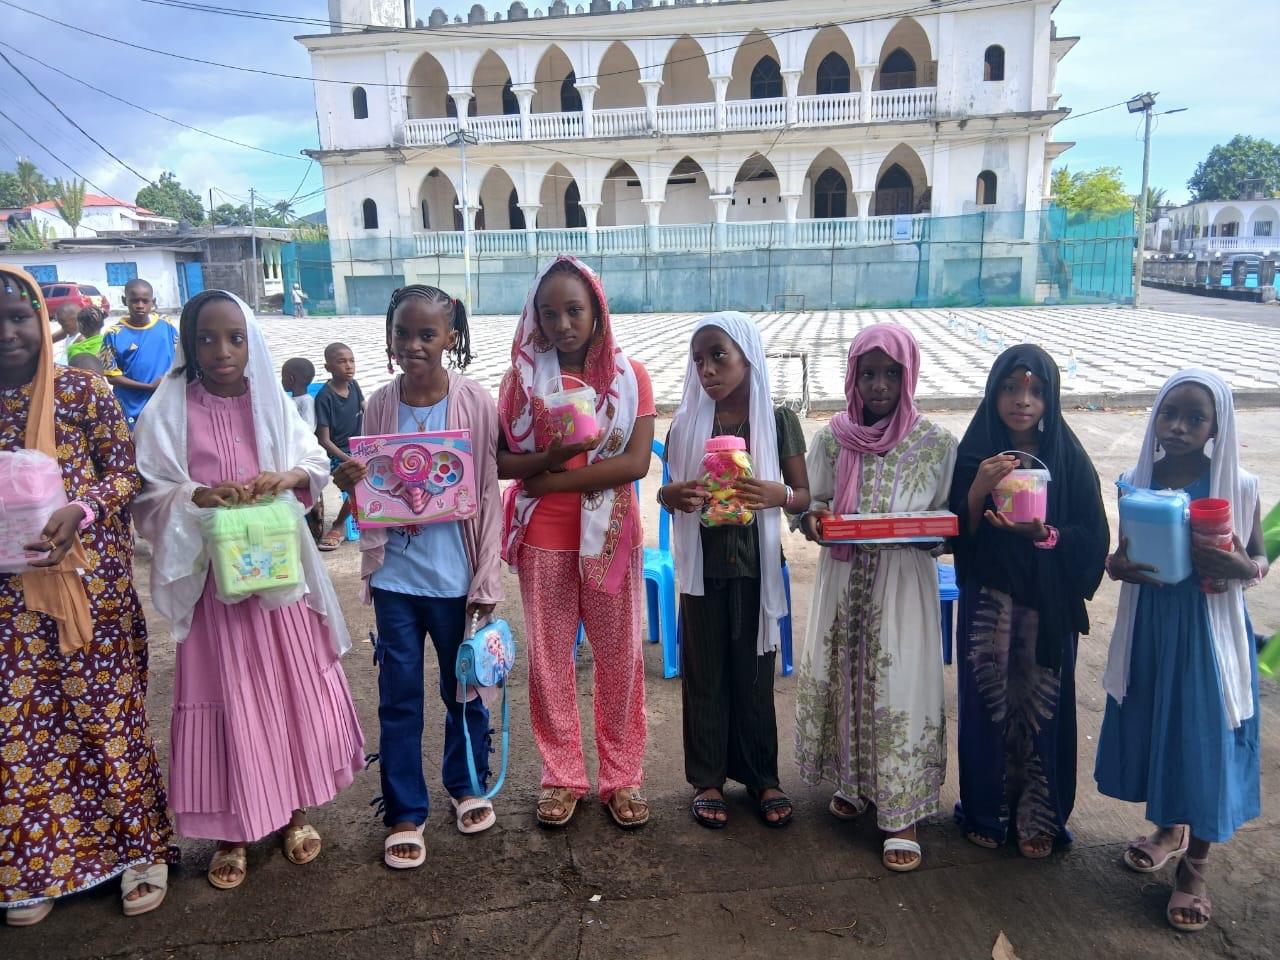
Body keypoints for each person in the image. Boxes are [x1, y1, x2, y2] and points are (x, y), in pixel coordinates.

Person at [132, 289, 364, 892]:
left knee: (287, 689)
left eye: (235, 337)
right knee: (227, 697)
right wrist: (196, 497)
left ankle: (294, 811)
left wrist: (287, 476)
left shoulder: (271, 401)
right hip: (215, 587)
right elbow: (150, 493)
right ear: (188, 345)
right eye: (206, 338)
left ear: (251, 340)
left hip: (279, 583)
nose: (222, 350)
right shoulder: (169, 410)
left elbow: (313, 464)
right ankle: (230, 831)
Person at [0, 265, 172, 926]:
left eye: (19, 317)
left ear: (42, 321)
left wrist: (82, 509)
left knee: (107, 715)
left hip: (88, 588)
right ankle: (37, 865)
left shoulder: (81, 390)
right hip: (11, 605)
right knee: (26, 726)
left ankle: (139, 852)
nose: (8, 333)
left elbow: (126, 473)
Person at [334, 285, 502, 868]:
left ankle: (466, 783)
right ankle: (405, 810)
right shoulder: (380, 403)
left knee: (465, 689)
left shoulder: (475, 401)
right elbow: (373, 488)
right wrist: (351, 482)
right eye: (402, 333)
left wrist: (486, 580)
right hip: (396, 583)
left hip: (456, 582)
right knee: (398, 696)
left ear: (450, 336)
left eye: (427, 334)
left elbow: (486, 493)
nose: (413, 345)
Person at [1096, 369, 1266, 933]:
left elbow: (1259, 558)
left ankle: (1195, 868)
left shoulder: (1237, 486)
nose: (1178, 426)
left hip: (1208, 635)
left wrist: (1241, 566)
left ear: (1217, 426)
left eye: (1195, 418)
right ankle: (1169, 830)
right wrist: (1118, 566)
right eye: (1170, 413)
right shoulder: (1136, 480)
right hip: (1152, 627)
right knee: (1162, 730)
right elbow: (1121, 554)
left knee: (1205, 739)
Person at [498, 255, 654, 830]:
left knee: (620, 659)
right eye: (549, 313)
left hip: (611, 536)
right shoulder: (521, 381)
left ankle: (622, 776)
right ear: (534, 317)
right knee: (549, 661)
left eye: (574, 310)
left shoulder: (630, 377)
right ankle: (562, 776)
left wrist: (549, 479)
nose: (562, 324)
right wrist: (547, 460)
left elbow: (635, 464)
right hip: (545, 537)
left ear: (597, 311)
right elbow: (502, 461)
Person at [794, 324, 957, 872]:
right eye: (868, 373)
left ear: (909, 375)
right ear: (853, 377)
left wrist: (930, 534)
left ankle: (901, 814)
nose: (880, 385)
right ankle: (854, 782)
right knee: (846, 676)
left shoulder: (936, 444)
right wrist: (815, 520)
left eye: (891, 373)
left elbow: (948, 521)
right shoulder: (832, 439)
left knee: (898, 687)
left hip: (902, 586)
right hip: (845, 582)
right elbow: (811, 502)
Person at [948, 345, 1108, 860]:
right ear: (994, 393)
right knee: (987, 706)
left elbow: (1093, 535)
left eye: (1036, 391)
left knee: (1043, 709)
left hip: (1046, 602)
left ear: (1050, 398)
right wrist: (979, 487)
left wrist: (1047, 535)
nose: (1023, 400)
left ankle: (1040, 817)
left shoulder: (1066, 455)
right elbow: (955, 531)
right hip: (989, 599)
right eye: (1011, 388)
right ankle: (985, 812)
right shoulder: (976, 451)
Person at [661, 313, 809, 830]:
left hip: (754, 567)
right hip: (702, 570)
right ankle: (707, 779)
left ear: (748, 357)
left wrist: (778, 494)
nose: (707, 369)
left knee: (754, 675)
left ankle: (763, 777)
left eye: (718, 355)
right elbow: (669, 493)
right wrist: (672, 495)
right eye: (699, 359)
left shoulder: (778, 420)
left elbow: (804, 495)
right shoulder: (686, 425)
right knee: (704, 673)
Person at [100, 279, 177, 430]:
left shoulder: (166, 326)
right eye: (134, 301)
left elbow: (180, 358)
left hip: (165, 403)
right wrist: (149, 387)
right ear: (124, 300)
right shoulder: (113, 334)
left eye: (145, 301)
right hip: (131, 408)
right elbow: (112, 376)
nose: (140, 305)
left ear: (153, 302)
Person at [315, 342, 364, 551]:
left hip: (359, 448)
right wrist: (348, 459)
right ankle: (338, 525)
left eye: (351, 361)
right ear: (328, 367)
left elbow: (366, 409)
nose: (349, 366)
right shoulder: (324, 397)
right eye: (342, 361)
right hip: (337, 453)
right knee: (358, 485)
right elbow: (324, 440)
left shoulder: (354, 385)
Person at [282, 358, 323, 541]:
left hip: (302, 451)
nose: (281, 380)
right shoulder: (290, 400)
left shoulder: (305, 401)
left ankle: (315, 509)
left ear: (290, 379)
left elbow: (308, 427)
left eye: (283, 377)